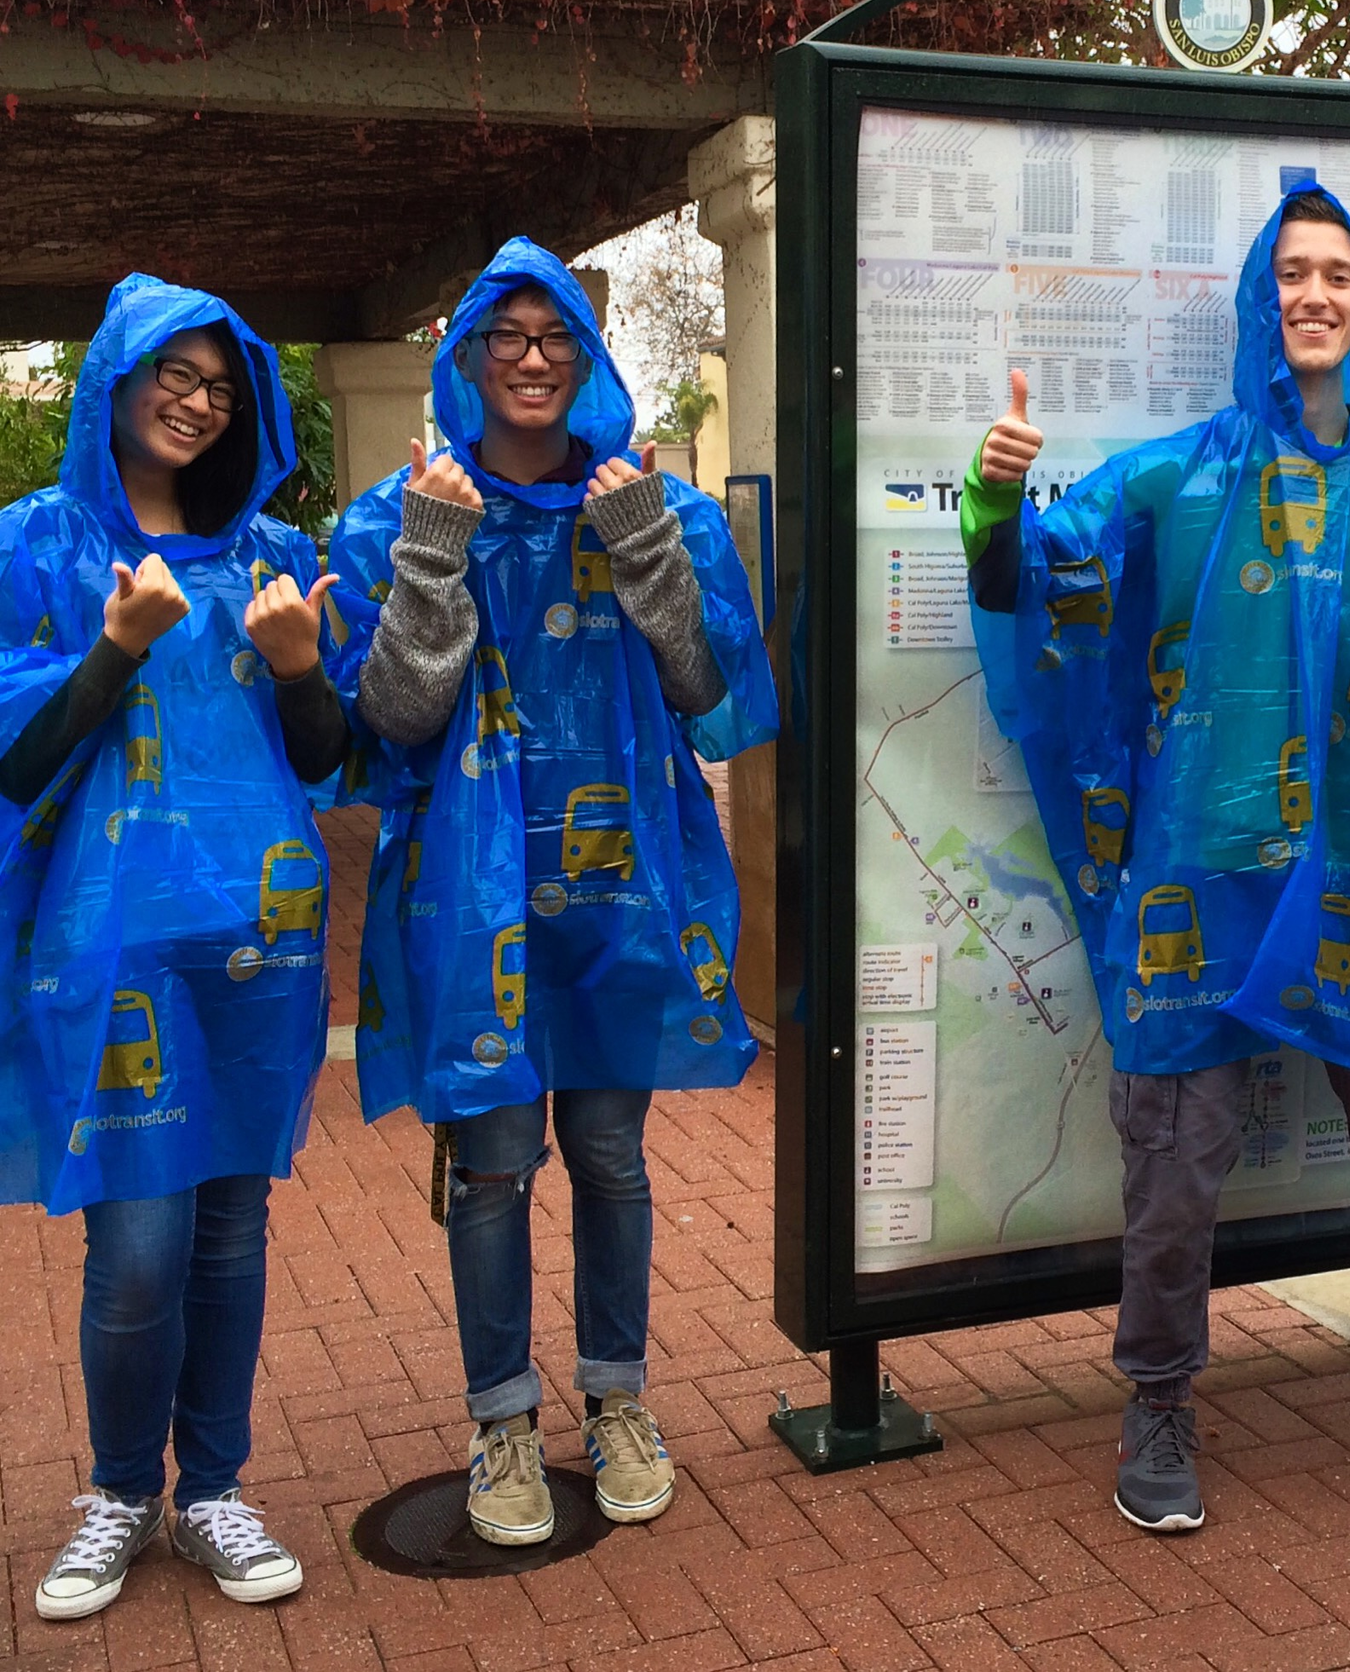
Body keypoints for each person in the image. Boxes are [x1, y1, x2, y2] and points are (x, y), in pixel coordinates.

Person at [964, 183, 1350, 1532]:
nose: (1313, 296)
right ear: (1260, 300)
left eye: (1336, 275)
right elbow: (1034, 587)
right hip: (1202, 870)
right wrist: (992, 503)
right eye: (1291, 274)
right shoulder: (1180, 477)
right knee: (1177, 1156)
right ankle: (1161, 1397)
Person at [327, 239, 777, 1545]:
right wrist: (433, 557)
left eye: (555, 337)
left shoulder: (659, 505)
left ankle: (619, 1401)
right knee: (492, 1164)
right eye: (506, 336)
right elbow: (394, 720)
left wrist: (641, 552)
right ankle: (503, 1421)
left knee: (612, 1156)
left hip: (620, 887)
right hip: (474, 897)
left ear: (585, 358)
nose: (531, 358)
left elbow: (708, 696)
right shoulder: (402, 512)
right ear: (468, 359)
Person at [0, 276, 348, 1617]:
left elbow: (329, 757)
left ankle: (212, 1485)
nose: (199, 401)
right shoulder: (33, 546)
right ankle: (114, 1489)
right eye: (175, 374)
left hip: (255, 952)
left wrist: (307, 664)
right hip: (112, 956)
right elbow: (15, 756)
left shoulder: (273, 552)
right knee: (135, 1246)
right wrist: (112, 651)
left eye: (222, 383)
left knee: (227, 1233)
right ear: (115, 380)